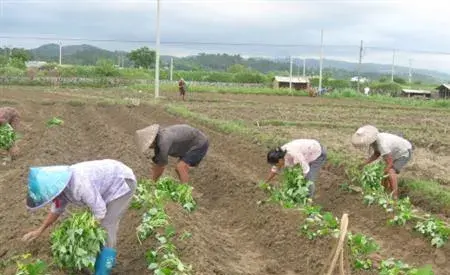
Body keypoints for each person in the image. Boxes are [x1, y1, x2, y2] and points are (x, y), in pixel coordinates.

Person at [21, 159, 137, 275]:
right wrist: (39, 230)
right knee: (100, 227)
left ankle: (104, 269)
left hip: (122, 182)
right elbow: (56, 210)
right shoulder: (61, 187)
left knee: (106, 225)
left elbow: (100, 211)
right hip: (106, 186)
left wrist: (84, 233)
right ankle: (100, 260)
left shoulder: (80, 185)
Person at [351, 125, 413, 199]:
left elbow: (390, 162)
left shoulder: (382, 144)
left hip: (404, 152)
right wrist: (364, 164)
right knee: (385, 172)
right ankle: (385, 191)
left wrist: (384, 172)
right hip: (394, 153)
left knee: (390, 171)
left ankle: (395, 196)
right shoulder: (375, 141)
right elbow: (377, 154)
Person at [134, 124, 209, 183]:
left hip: (199, 143)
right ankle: (184, 188)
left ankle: (186, 194)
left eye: (148, 145)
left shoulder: (163, 143)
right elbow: (157, 163)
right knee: (179, 168)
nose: (149, 148)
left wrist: (152, 182)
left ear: (152, 140)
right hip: (188, 142)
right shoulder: (159, 138)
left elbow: (161, 166)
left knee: (181, 167)